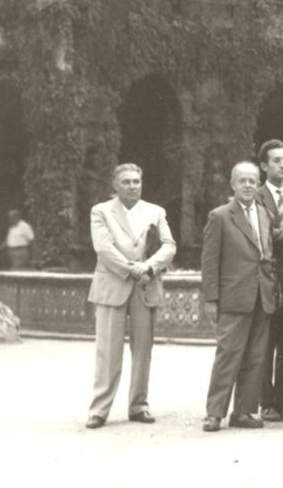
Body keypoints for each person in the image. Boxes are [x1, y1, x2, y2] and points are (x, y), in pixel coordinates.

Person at [85, 164, 177, 428]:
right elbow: (104, 248)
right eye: (125, 182)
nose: (132, 186)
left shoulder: (155, 211)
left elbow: (169, 245)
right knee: (108, 351)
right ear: (115, 185)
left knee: (143, 350)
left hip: (146, 286)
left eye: (136, 181)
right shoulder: (101, 211)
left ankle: (138, 406)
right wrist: (133, 270)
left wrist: (148, 266)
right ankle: (99, 410)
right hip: (112, 286)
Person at [201, 161, 279, 432]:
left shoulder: (265, 213)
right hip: (233, 297)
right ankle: (214, 413)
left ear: (259, 185)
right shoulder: (220, 216)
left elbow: (267, 254)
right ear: (232, 184)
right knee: (228, 355)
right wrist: (211, 299)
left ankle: (244, 411)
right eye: (242, 180)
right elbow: (209, 262)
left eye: (253, 181)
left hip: (262, 295)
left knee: (256, 357)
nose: (248, 185)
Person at [256, 139, 283, 422]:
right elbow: (261, 234)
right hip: (266, 276)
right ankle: (266, 401)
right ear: (263, 166)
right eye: (276, 160)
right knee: (264, 341)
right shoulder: (254, 196)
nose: (282, 165)